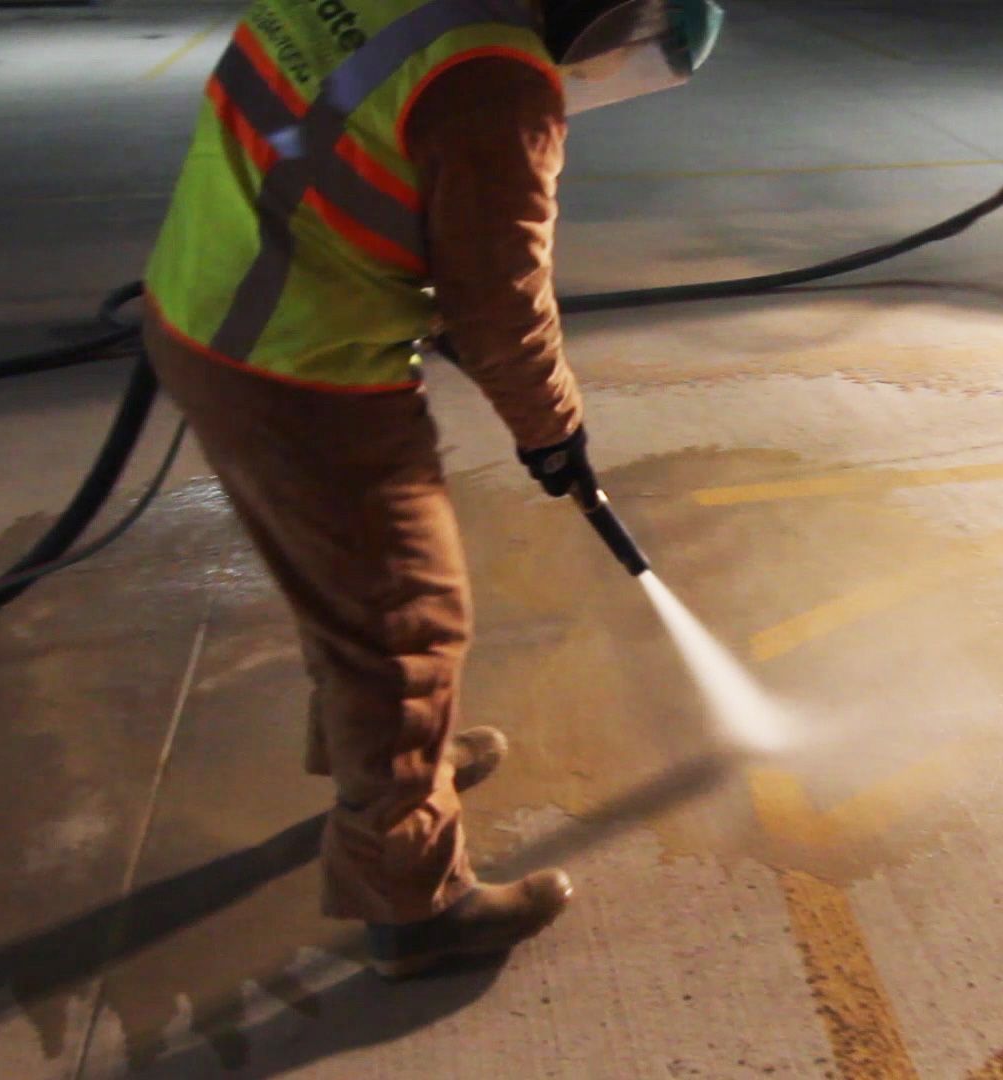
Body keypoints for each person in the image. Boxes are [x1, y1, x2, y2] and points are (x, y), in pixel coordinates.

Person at [138, 0, 721, 979]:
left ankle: (393, 759)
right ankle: (416, 903)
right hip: (302, 371)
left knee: (350, 593)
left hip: (207, 309)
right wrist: (555, 433)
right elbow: (498, 302)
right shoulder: (497, 80)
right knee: (405, 626)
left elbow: (357, 155)